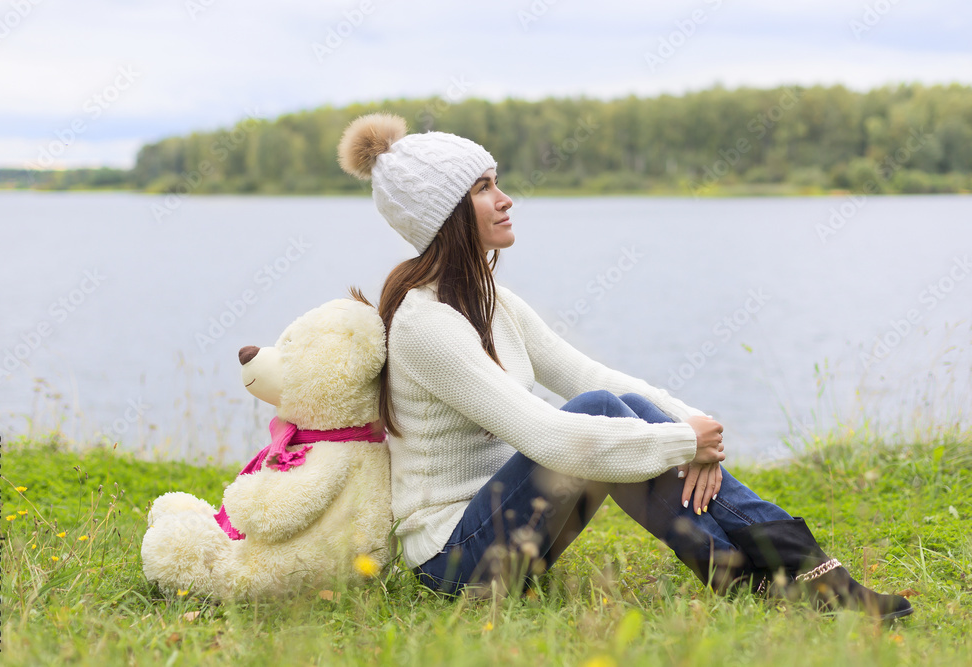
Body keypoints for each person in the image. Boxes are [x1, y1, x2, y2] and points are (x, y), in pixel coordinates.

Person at [336, 112, 913, 620]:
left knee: (620, 404)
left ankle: (779, 573)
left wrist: (694, 425)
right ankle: (781, 573)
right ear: (444, 214)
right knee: (599, 416)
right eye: (484, 188)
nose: (506, 198)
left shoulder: (491, 302)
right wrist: (680, 443)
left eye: (497, 181)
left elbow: (593, 377)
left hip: (509, 533)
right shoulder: (425, 324)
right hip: (452, 564)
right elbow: (549, 436)